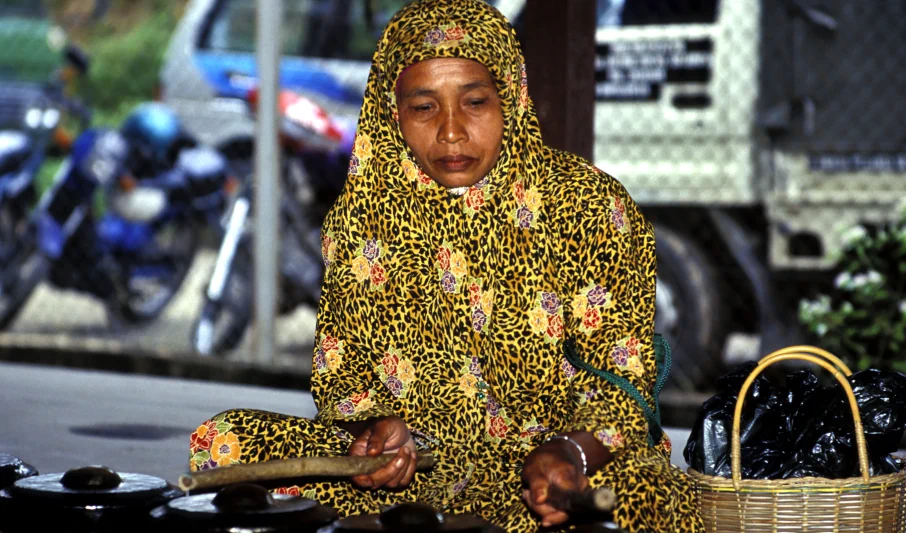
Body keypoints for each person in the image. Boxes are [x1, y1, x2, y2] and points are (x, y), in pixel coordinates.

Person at [188, 1, 704, 531]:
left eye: (475, 102)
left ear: (511, 98)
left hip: (552, 471)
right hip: (421, 472)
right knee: (227, 444)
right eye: (424, 107)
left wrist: (571, 453)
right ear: (393, 115)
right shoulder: (364, 219)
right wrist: (380, 431)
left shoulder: (586, 204)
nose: (452, 131)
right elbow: (344, 382)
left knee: (646, 495)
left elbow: (625, 382)